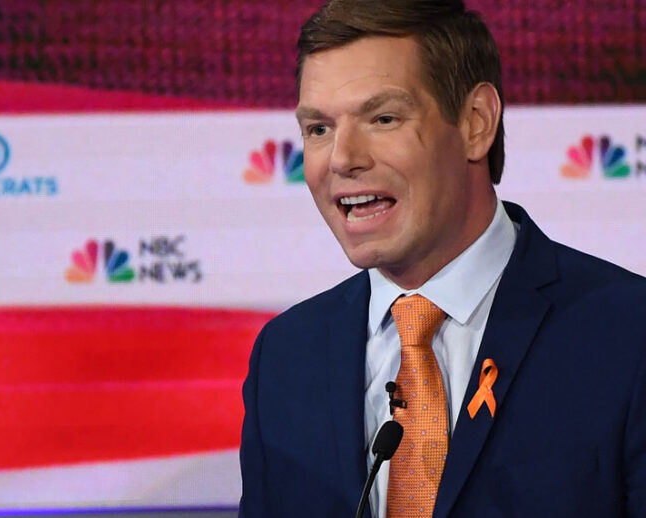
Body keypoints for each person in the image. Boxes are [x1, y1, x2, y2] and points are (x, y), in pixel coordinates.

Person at [238, 0, 646, 517]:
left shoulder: (628, 333)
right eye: (319, 129)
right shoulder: (285, 358)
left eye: (383, 118)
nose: (341, 159)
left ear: (476, 123)